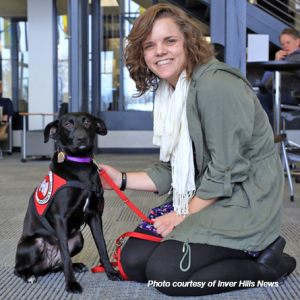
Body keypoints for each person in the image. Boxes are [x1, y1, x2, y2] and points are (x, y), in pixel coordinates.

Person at [99, 4, 296, 297]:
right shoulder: (171, 91)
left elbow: (226, 168)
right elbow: (172, 168)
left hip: (242, 199)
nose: (160, 52)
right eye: (149, 45)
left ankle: (267, 263)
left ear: (188, 42)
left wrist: (183, 215)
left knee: (168, 276)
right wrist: (121, 179)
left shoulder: (216, 85)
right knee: (134, 262)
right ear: (142, 54)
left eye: (170, 41)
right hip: (205, 192)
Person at [257, 28, 300, 126]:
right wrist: (277, 61)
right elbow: (265, 81)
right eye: (283, 44)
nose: (285, 46)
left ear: (298, 41)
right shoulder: (286, 58)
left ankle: (270, 134)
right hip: (274, 92)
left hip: (290, 94)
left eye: (288, 42)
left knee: (259, 99)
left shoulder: (297, 58)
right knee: (253, 98)